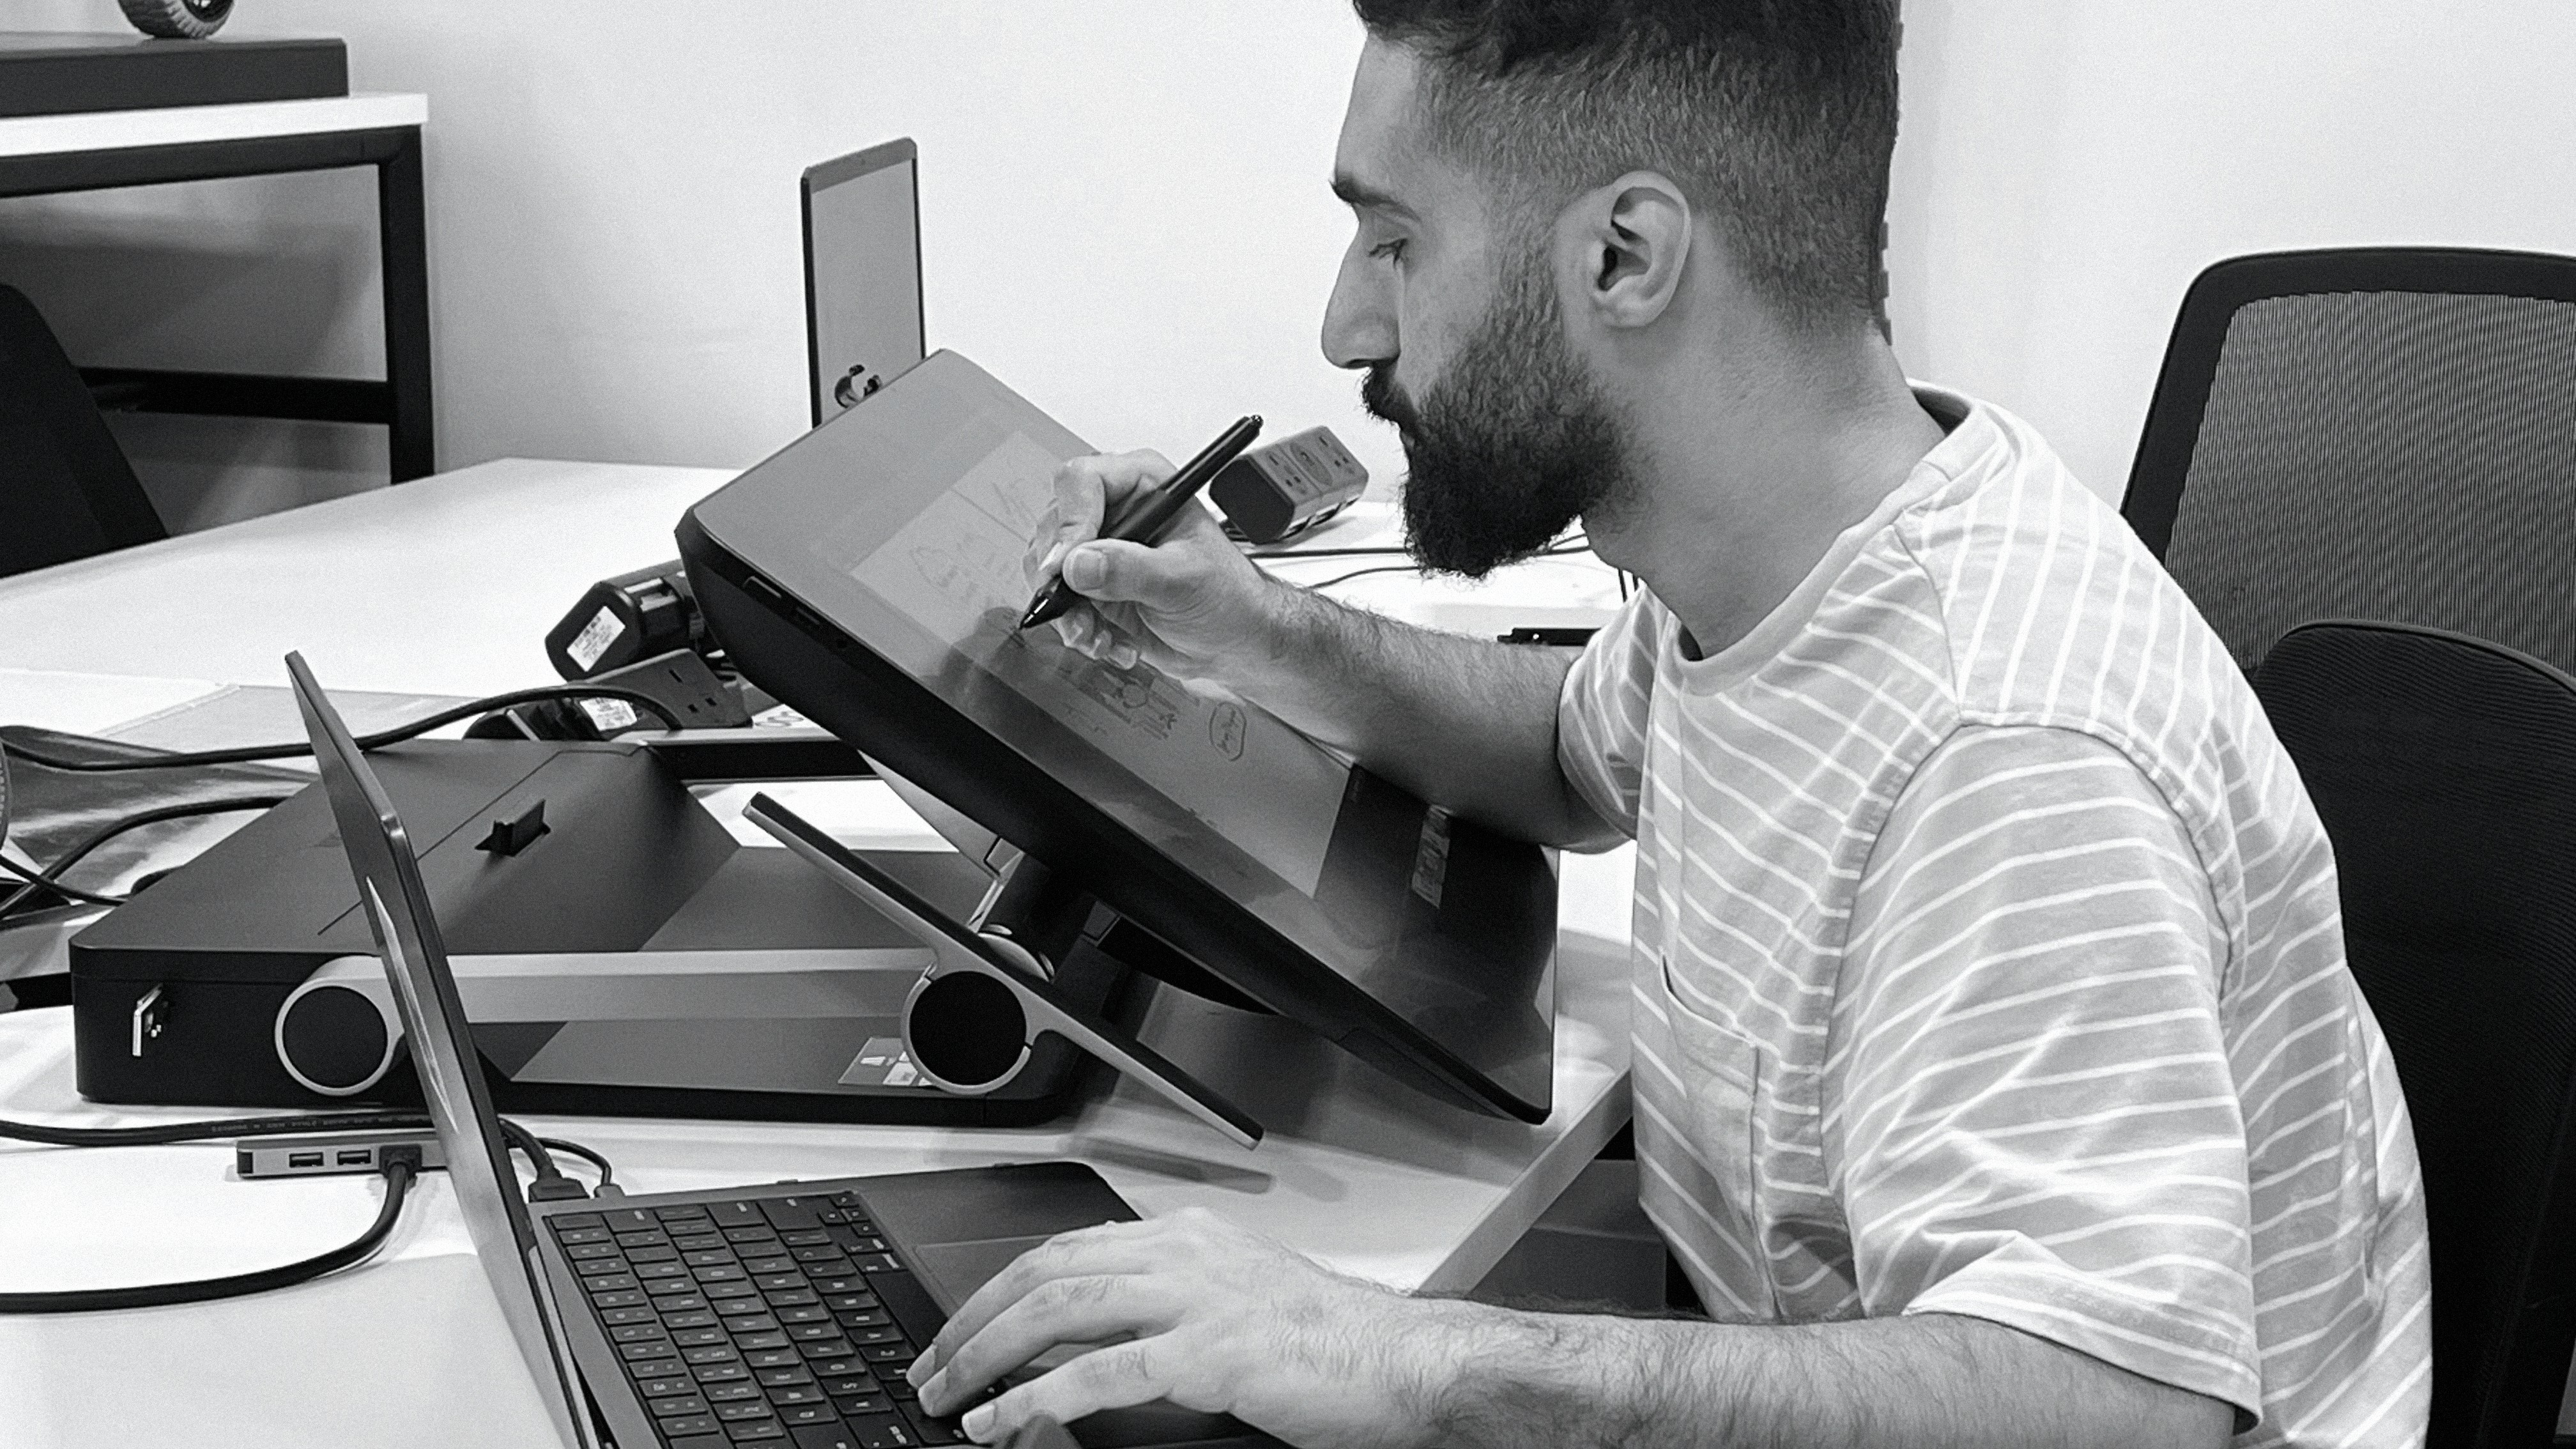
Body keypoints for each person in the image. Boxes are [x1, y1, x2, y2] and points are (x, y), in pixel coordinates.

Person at [903, 2, 2432, 1445]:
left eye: (1394, 238)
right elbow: (1575, 749)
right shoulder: (1778, 553)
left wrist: (1404, 1357)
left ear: (1625, 256)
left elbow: (2118, 1406)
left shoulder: (2005, 752)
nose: (1343, 321)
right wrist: (1249, 629)